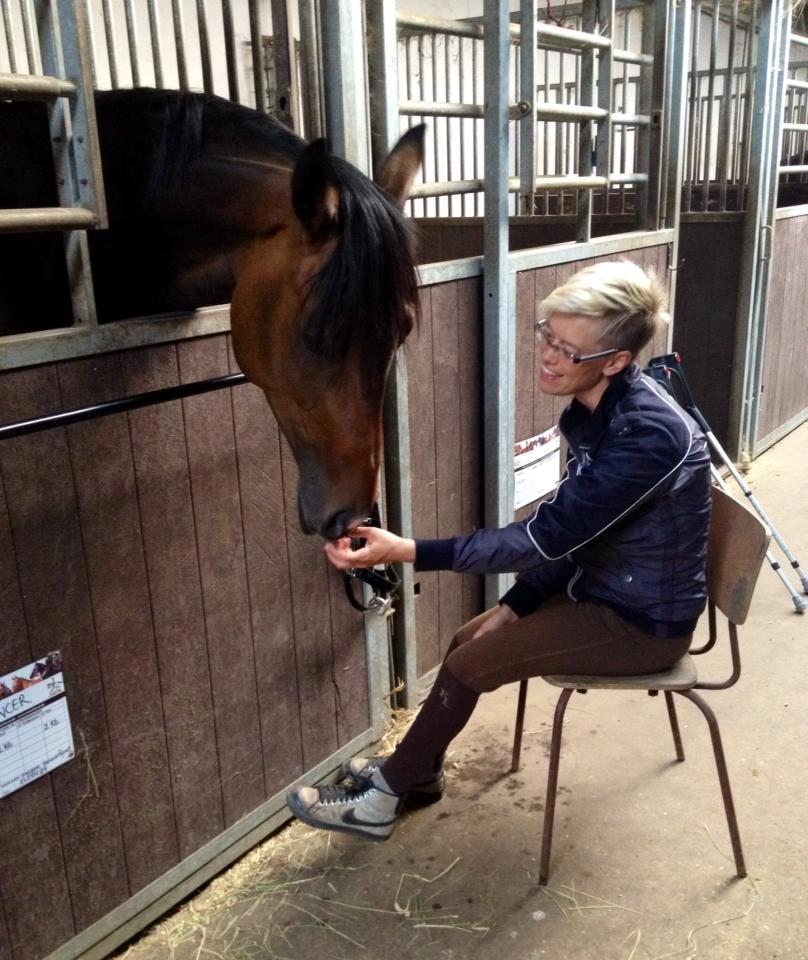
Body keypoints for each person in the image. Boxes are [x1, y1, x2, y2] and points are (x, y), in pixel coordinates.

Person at [287, 260, 712, 842]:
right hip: (603, 584)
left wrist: (405, 549)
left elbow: (542, 539)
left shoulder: (647, 435)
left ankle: (377, 805)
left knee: (465, 667)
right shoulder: (598, 408)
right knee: (469, 640)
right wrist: (518, 605)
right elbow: (582, 533)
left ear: (615, 362)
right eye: (548, 335)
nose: (549, 356)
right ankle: (417, 775)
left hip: (642, 621)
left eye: (570, 350)